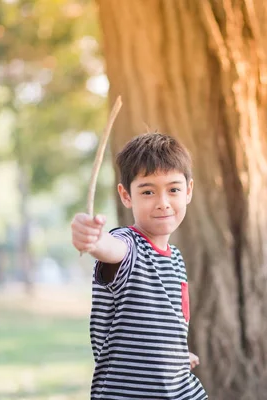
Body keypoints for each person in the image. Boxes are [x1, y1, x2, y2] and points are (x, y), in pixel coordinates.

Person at [71, 133, 208, 399]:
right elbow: (111, 248)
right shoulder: (128, 245)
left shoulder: (175, 258)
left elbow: (163, 323)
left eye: (174, 189)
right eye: (147, 191)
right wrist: (93, 238)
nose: (163, 202)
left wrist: (175, 355)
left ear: (188, 191)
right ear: (126, 196)